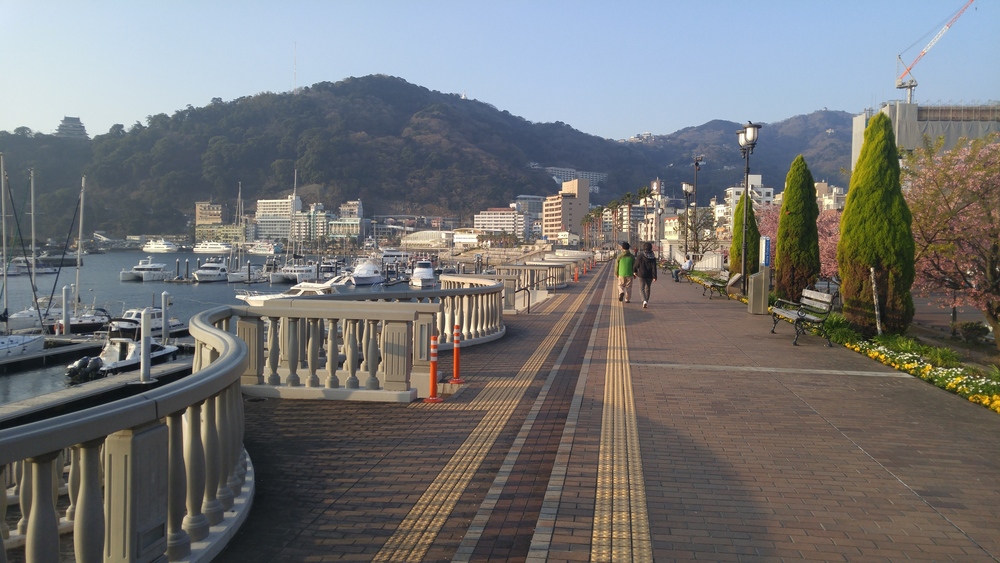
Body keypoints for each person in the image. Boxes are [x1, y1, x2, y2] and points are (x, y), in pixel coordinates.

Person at [633, 242, 657, 308]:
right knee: (648, 288)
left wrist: (634, 271)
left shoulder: (640, 256)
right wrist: (655, 276)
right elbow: (654, 268)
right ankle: (646, 300)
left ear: (644, 248)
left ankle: (644, 301)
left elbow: (636, 265)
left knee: (641, 288)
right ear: (651, 248)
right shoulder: (653, 257)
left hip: (641, 274)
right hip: (650, 275)